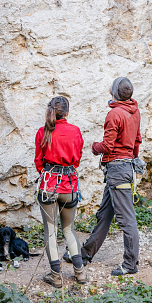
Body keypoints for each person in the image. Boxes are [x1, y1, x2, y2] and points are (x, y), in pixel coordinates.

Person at [66, 77, 142, 276]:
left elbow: (107, 146)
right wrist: (130, 159)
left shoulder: (115, 114)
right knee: (105, 215)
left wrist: (94, 147)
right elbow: (137, 142)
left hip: (117, 171)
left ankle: (130, 264)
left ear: (116, 93)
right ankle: (85, 253)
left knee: (127, 220)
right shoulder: (134, 110)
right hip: (123, 170)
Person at [34, 96, 86, 288]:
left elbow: (38, 161)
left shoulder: (43, 132)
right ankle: (80, 273)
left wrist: (48, 173)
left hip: (49, 185)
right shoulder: (75, 131)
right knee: (69, 229)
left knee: (51, 231)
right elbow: (77, 158)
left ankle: (56, 276)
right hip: (70, 185)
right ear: (67, 112)